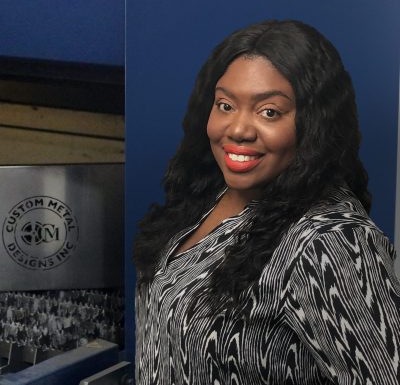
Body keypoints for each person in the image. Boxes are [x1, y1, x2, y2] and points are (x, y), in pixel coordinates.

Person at [134, 20, 400, 385]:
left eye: (269, 112)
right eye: (225, 105)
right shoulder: (207, 198)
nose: (239, 129)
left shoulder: (330, 241)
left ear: (314, 123)